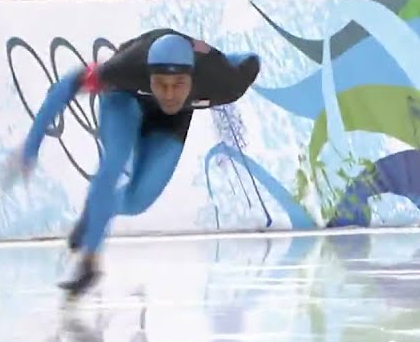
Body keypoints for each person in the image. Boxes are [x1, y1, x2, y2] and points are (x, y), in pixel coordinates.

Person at [14, 29, 261, 298]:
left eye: (177, 84)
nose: (168, 94)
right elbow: (66, 87)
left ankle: (95, 212)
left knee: (137, 202)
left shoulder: (224, 83)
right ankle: (89, 263)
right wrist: (30, 148)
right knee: (115, 161)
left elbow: (250, 59)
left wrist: (220, 57)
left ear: (193, 78)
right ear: (149, 75)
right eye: (161, 84)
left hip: (171, 121)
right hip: (124, 98)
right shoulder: (125, 69)